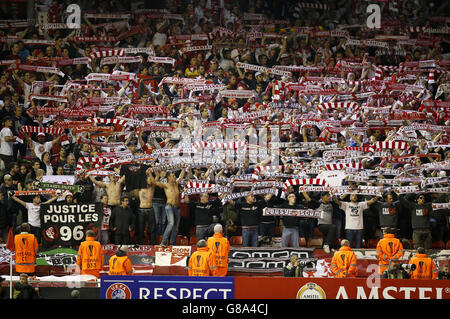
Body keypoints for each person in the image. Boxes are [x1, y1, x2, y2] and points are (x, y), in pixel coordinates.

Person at [149, 168, 186, 246]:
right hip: (169, 206)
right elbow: (155, 182)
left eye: (174, 176)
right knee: (171, 223)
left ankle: (172, 243)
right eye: (173, 176)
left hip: (177, 207)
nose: (174, 177)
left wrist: (184, 169)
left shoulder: (176, 183)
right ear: (168, 177)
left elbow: (181, 176)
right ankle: (163, 242)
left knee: (176, 227)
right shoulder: (166, 185)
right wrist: (149, 173)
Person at [137, 171, 156, 245]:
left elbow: (155, 180)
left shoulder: (152, 187)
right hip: (141, 210)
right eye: (148, 179)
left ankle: (152, 243)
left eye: (150, 179)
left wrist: (150, 174)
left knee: (152, 228)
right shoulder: (140, 187)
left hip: (150, 209)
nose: (150, 180)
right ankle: (141, 243)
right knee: (141, 228)